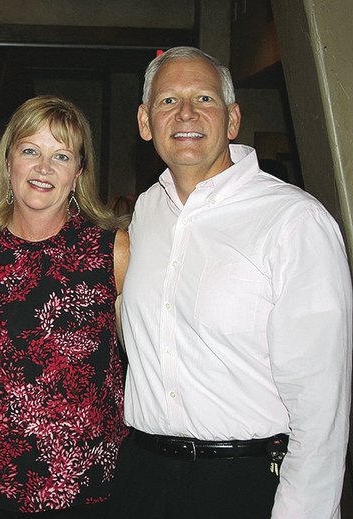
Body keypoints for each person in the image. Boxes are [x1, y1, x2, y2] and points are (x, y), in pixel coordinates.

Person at [115, 46, 353, 518]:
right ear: (145, 122)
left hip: (244, 484)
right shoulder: (146, 211)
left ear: (233, 119)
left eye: (204, 98)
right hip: (143, 477)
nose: (185, 112)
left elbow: (321, 409)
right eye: (167, 101)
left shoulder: (294, 221)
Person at [0, 95, 129, 517]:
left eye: (61, 156)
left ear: (78, 173)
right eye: (31, 151)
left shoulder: (112, 252)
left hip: (83, 489)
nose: (43, 168)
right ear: (9, 162)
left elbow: (151, 355)